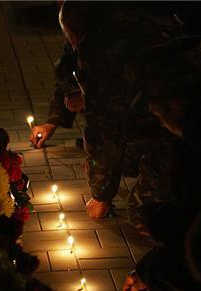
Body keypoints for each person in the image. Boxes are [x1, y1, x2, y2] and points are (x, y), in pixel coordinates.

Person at [31, 1, 185, 220]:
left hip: (182, 131)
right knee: (127, 159)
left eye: (70, 36)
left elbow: (105, 131)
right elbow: (70, 68)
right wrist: (53, 121)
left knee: (145, 214)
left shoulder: (103, 49)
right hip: (161, 115)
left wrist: (101, 196)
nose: (72, 43)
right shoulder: (108, 21)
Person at [123, 38, 201, 291]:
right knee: (157, 269)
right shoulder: (198, 135)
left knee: (164, 274)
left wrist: (164, 227)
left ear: (176, 103)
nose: (159, 123)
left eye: (157, 114)